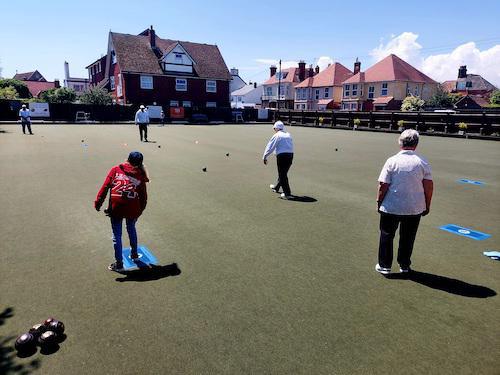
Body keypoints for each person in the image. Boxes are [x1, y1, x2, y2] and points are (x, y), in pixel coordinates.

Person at [375, 129, 433, 275]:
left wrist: (379, 201)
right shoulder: (422, 162)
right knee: (408, 237)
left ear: (400, 143)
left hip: (391, 206)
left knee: (387, 235)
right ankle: (404, 265)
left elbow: (383, 185)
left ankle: (385, 266)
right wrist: (427, 204)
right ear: (416, 144)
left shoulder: (392, 160)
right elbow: (428, 186)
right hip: (414, 207)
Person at [94, 151, 149, 271]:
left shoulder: (116, 169)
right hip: (132, 209)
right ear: (140, 163)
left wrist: (98, 203)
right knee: (131, 228)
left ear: (127, 160)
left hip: (116, 208)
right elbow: (144, 197)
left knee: (117, 235)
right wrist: (140, 211)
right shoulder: (140, 174)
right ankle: (134, 254)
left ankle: (119, 263)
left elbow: (105, 187)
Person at [262, 120, 294, 200]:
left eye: (274, 128)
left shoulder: (277, 135)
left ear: (276, 128)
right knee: (283, 173)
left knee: (282, 174)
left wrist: (265, 157)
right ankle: (276, 188)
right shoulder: (288, 134)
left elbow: (270, 147)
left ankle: (287, 193)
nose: (274, 130)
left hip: (282, 156)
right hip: (290, 155)